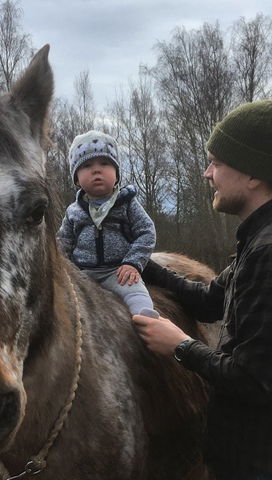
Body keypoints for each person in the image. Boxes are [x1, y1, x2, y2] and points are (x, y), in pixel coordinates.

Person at [133, 100, 272, 480]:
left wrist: (178, 345)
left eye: (216, 162)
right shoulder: (255, 239)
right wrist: (138, 262)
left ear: (252, 174)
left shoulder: (267, 253)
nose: (207, 173)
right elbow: (211, 300)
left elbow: (254, 381)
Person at [57, 130, 158, 318]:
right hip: (82, 273)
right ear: (77, 179)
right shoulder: (73, 211)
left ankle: (146, 321)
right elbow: (64, 242)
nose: (97, 170)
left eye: (104, 163)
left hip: (118, 272)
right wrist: (62, 267)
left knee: (136, 293)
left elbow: (146, 232)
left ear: (117, 174)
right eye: (87, 165)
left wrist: (133, 263)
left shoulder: (127, 203)